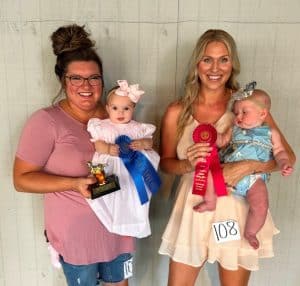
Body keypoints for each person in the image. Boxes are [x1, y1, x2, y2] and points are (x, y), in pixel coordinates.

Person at [158, 29, 296, 286]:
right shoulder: (176, 110)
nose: (215, 68)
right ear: (197, 63)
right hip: (193, 209)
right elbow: (165, 163)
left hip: (238, 210)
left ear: (233, 64)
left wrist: (248, 166)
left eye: (224, 59)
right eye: (207, 59)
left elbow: (286, 156)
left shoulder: (248, 106)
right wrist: (189, 164)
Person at [13, 24, 135, 286]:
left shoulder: (117, 117)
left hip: (118, 229)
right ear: (62, 80)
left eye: (94, 78)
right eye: (76, 78)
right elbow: (21, 180)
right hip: (76, 237)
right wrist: (73, 183)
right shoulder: (46, 121)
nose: (86, 86)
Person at [194, 86, 294, 250]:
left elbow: (280, 152)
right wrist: (211, 136)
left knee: (261, 204)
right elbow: (222, 141)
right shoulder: (234, 130)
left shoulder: (271, 133)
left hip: (253, 180)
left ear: (262, 114)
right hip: (226, 174)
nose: (238, 117)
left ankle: (251, 232)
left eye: (244, 112)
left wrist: (284, 164)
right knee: (210, 175)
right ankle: (210, 202)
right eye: (236, 113)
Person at [86, 79, 160, 238]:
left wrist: (142, 143)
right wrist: (107, 148)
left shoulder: (138, 128)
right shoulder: (102, 126)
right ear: (107, 108)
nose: (120, 113)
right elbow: (97, 145)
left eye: (126, 108)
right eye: (115, 108)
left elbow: (150, 142)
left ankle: (133, 221)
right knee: (107, 194)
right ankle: (112, 219)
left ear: (133, 108)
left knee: (131, 195)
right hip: (108, 166)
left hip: (131, 169)